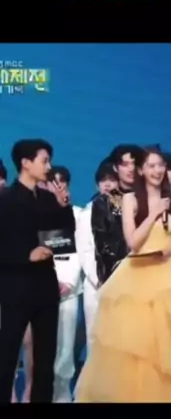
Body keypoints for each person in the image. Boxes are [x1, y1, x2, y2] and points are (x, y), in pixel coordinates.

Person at [75, 147, 171, 402]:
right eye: (151, 166)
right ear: (141, 170)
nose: (157, 171)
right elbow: (133, 241)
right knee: (138, 345)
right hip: (137, 274)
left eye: (161, 165)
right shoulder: (130, 200)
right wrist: (154, 213)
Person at [0, 139, 75, 403]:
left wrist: (63, 206)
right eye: (44, 161)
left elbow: (65, 238)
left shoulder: (48, 199)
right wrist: (26, 255)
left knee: (45, 360)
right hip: (15, 289)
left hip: (45, 288)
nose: (49, 166)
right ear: (25, 163)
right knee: (7, 357)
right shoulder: (5, 199)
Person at [46, 166, 83, 402]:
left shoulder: (78, 214)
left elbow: (82, 250)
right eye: (53, 183)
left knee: (66, 345)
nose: (57, 187)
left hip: (68, 289)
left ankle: (62, 393)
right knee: (40, 345)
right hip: (40, 288)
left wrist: (68, 281)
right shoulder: (35, 215)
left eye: (62, 182)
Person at [76, 159, 119, 347]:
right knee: (94, 336)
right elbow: (85, 250)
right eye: (103, 180)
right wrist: (98, 278)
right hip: (95, 283)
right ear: (97, 185)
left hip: (122, 281)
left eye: (112, 180)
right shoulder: (86, 213)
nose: (107, 184)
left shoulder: (128, 210)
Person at [91, 144, 144, 285]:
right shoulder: (103, 202)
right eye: (125, 164)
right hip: (117, 273)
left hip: (151, 267)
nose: (131, 169)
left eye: (135, 164)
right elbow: (102, 244)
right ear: (115, 168)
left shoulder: (151, 198)